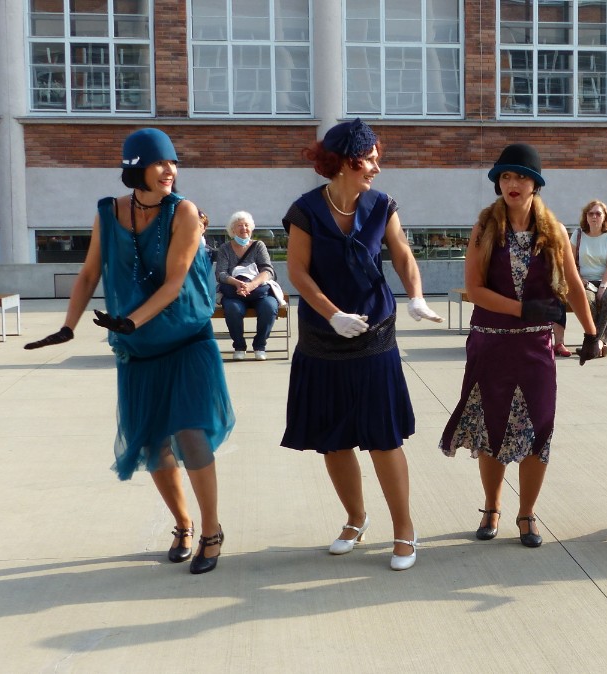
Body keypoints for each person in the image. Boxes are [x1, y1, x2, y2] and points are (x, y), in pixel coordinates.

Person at [24, 128, 235, 574]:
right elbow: (88, 274)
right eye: (160, 162)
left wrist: (131, 320)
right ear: (136, 167)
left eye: (173, 162)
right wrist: (67, 327)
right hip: (139, 350)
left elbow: (175, 282)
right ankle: (183, 524)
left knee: (191, 434)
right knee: (153, 441)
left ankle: (212, 531)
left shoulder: (183, 212)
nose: (169, 170)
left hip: (186, 339)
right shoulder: (108, 212)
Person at [280, 118, 443, 571]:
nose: (375, 167)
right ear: (343, 162)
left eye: (376, 158)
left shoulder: (381, 205)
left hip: (375, 336)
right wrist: (331, 313)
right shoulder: (305, 210)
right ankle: (355, 519)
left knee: (383, 437)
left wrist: (415, 296)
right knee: (333, 440)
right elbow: (298, 272)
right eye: (367, 159)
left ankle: (404, 529)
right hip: (322, 339)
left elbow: (402, 253)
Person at [440, 143, 602, 549]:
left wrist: (591, 333)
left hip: (535, 349)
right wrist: (522, 309)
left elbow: (575, 285)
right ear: (498, 182)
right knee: (491, 428)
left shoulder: (554, 230)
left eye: (522, 177)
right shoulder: (484, 228)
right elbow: (474, 289)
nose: (513, 183)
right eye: (506, 176)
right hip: (490, 344)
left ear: (535, 184)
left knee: (539, 429)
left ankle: (527, 513)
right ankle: (492, 507)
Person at [215, 210, 278, 361]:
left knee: (269, 307)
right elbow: (220, 273)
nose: (244, 228)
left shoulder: (258, 245)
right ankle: (239, 346)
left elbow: (268, 270)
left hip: (259, 291)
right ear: (232, 230)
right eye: (239, 225)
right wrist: (236, 283)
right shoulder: (225, 248)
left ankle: (260, 346)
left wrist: (251, 285)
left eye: (246, 225)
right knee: (232, 309)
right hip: (233, 292)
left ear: (251, 227)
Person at [573, 200, 607, 356]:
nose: (594, 217)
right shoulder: (577, 235)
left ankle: (597, 343)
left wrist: (603, 286)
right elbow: (570, 262)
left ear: (604, 217)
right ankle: (596, 344)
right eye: (591, 213)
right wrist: (579, 279)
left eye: (598, 213)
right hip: (585, 281)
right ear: (586, 216)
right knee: (587, 300)